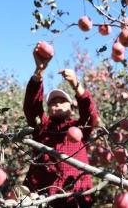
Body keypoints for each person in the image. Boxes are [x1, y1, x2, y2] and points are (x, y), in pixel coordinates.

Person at [23, 43, 100, 208]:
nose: (57, 105)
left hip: (77, 197)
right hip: (43, 198)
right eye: (52, 102)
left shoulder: (79, 128)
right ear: (48, 109)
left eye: (62, 101)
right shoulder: (42, 127)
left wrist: (76, 84)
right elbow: (31, 106)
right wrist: (39, 72)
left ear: (72, 108)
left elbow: (91, 113)